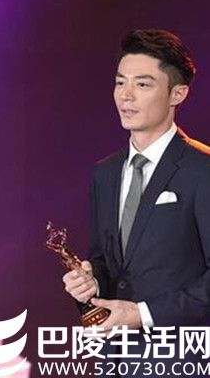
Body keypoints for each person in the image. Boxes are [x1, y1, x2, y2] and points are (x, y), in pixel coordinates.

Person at [63, 29, 210, 376]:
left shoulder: (202, 169)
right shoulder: (105, 173)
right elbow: (104, 260)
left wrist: (143, 314)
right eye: (120, 82)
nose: (126, 95)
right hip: (116, 360)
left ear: (177, 93)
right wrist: (91, 283)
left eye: (143, 84)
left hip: (184, 360)